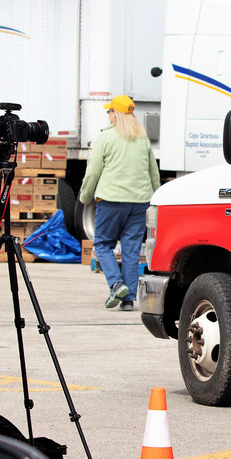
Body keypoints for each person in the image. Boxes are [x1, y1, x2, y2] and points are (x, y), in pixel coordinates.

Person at [79, 94, 160, 311]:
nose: (108, 115)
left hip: (111, 201)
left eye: (109, 111)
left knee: (103, 245)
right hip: (139, 202)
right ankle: (128, 300)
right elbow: (154, 173)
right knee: (131, 250)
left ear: (115, 114)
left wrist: (85, 196)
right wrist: (155, 199)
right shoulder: (143, 139)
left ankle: (116, 284)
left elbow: (92, 172)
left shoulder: (106, 138)